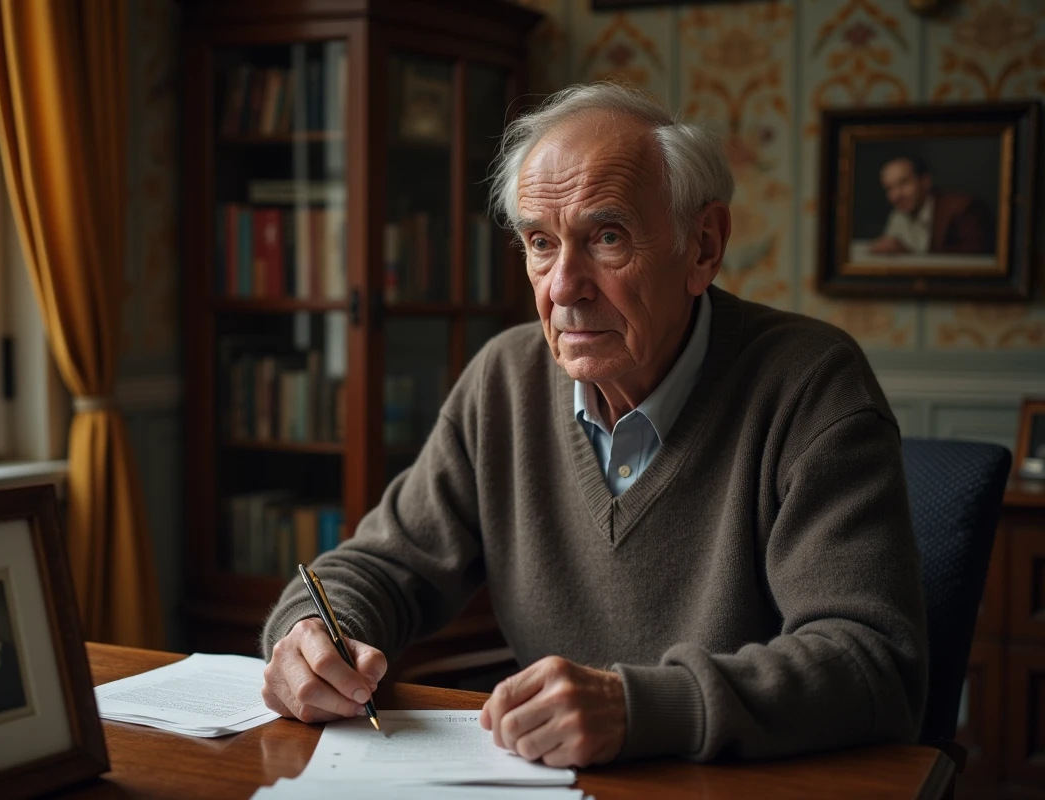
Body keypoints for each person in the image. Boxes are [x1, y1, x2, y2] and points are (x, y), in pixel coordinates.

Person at [261, 83, 927, 767]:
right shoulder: (504, 381)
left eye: (606, 237)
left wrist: (638, 709)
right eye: (540, 243)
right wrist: (315, 632)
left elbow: (872, 662)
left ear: (703, 246)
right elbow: (381, 565)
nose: (562, 286)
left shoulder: (811, 384)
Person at [869, 154, 994, 256]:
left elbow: (975, 259)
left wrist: (909, 255)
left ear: (925, 182)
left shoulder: (963, 209)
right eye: (889, 188)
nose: (895, 196)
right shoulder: (898, 214)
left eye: (903, 183)